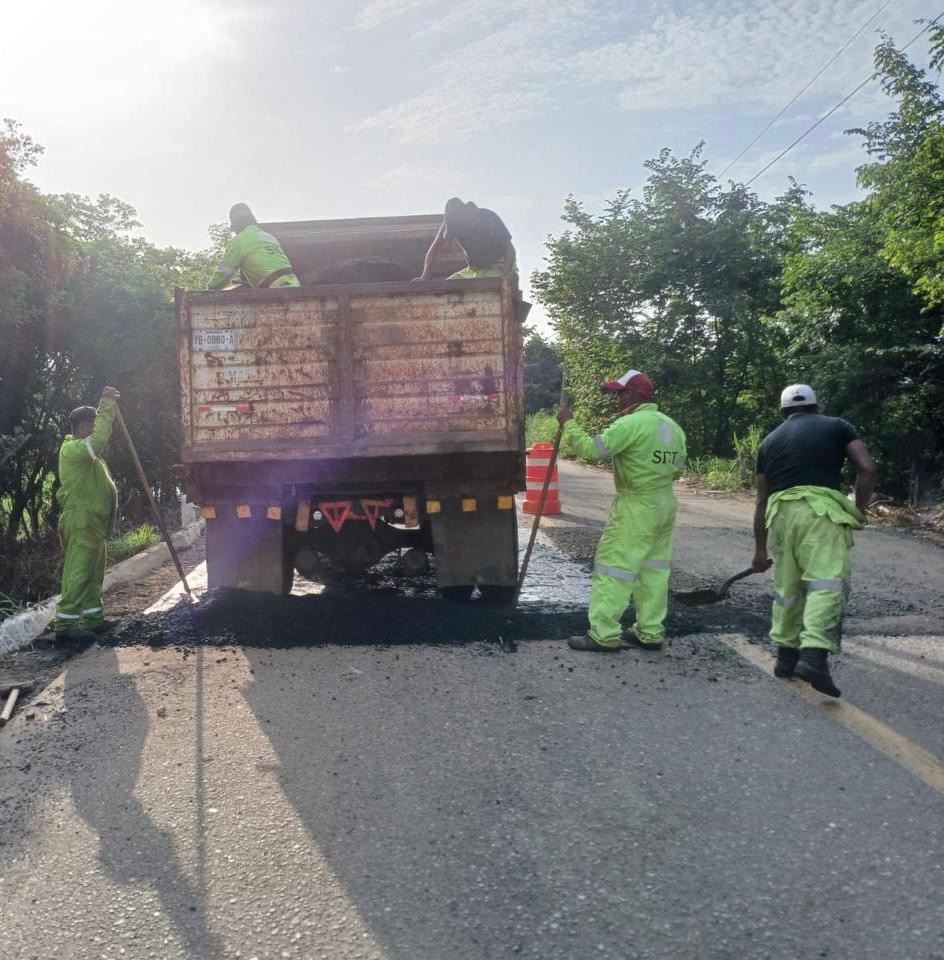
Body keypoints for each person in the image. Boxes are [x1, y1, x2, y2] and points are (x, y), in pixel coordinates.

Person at [752, 384, 877, 697]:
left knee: (788, 587)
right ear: (815, 406)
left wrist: (760, 550)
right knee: (827, 582)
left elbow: (761, 500)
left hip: (780, 515)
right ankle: (814, 657)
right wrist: (859, 512)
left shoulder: (769, 441)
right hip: (820, 512)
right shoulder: (838, 426)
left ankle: (786, 657)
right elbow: (867, 468)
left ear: (783, 411)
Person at [557, 369, 687, 652]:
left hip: (635, 505)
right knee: (653, 570)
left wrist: (569, 424)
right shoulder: (673, 427)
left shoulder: (630, 424)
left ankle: (604, 634)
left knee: (614, 568)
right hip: (664, 503)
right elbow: (678, 469)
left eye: (620, 393)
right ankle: (650, 632)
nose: (617, 399)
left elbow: (591, 450)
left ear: (632, 394)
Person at [52, 387, 121, 640]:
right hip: (81, 522)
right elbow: (100, 439)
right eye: (90, 425)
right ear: (80, 427)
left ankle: (94, 620)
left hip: (93, 524)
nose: (93, 429)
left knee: (93, 575)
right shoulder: (73, 450)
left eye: (94, 425)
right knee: (78, 573)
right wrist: (107, 404)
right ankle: (64, 628)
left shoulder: (91, 459)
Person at [414, 197, 516, 280]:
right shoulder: (449, 224)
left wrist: (504, 277)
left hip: (499, 265)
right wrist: (425, 275)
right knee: (447, 287)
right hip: (473, 270)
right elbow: (434, 249)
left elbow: (510, 250)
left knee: (485, 283)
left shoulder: (488, 217)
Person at [207, 203, 301, 290]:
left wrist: (209, 291)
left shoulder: (239, 241)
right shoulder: (269, 237)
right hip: (296, 288)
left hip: (274, 291)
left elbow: (223, 274)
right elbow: (266, 267)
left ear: (236, 225)